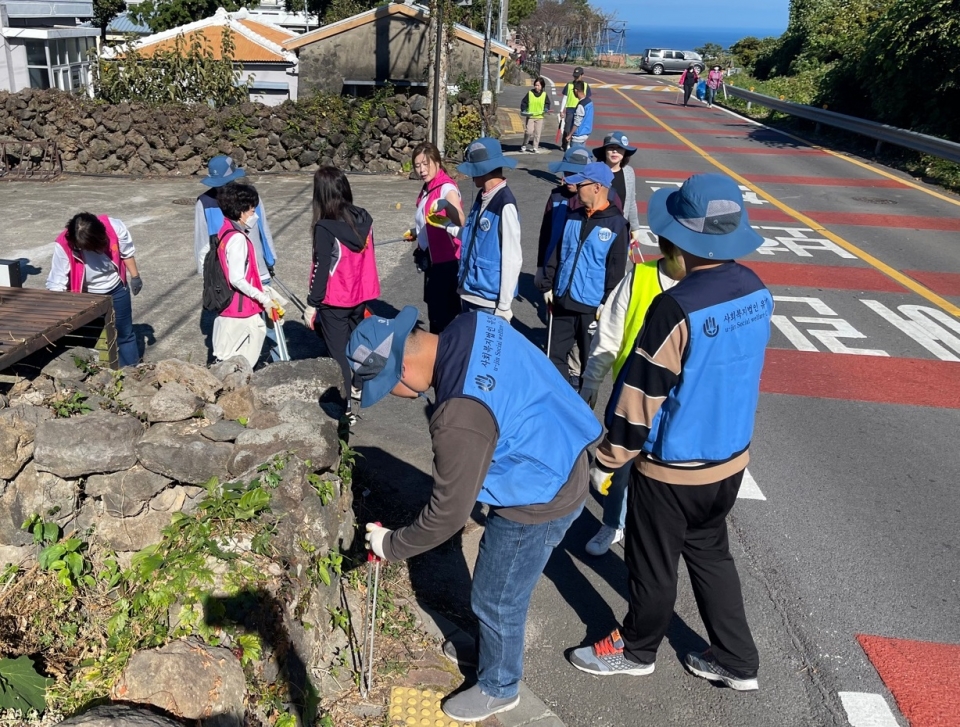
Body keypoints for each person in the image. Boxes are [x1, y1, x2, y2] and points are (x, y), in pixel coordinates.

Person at [567, 173, 773, 692]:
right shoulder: (755, 290)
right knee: (710, 553)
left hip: (674, 465)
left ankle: (637, 649)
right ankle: (736, 658)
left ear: (677, 240)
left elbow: (640, 399)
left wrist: (606, 460)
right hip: (729, 459)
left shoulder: (676, 307)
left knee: (652, 562)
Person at [350, 307, 601, 722]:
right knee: (493, 586)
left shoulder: (457, 418)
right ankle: (489, 653)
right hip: (558, 444)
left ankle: (500, 686)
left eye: (387, 385)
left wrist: (391, 544)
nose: (393, 394)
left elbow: (448, 515)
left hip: (539, 493)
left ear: (405, 367)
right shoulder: (471, 324)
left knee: (496, 597)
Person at [578, 236, 686, 556]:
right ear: (670, 248)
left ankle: (651, 533)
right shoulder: (639, 277)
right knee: (621, 463)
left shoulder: (703, 284)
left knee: (662, 472)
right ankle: (613, 522)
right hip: (633, 393)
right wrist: (591, 383)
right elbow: (609, 335)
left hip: (678, 401)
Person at [539, 162, 629, 390]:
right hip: (562, 300)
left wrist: (606, 304)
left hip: (591, 308)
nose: (576, 189)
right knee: (553, 357)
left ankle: (582, 411)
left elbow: (616, 270)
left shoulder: (617, 225)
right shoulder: (573, 215)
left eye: (581, 184)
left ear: (597, 187)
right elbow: (558, 252)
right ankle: (561, 399)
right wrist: (548, 284)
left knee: (588, 365)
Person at [303, 167, 381, 414]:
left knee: (338, 355)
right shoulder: (364, 217)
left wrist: (312, 303)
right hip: (360, 294)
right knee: (358, 344)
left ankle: (345, 406)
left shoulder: (324, 227)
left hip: (335, 299)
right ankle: (359, 385)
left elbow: (322, 268)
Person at [195, 155, 282, 361]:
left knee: (267, 326)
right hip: (232, 279)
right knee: (241, 328)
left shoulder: (248, 198)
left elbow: (263, 230)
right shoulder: (205, 203)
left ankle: (274, 366)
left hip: (257, 271)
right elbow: (202, 244)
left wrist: (269, 261)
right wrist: (209, 277)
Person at [428, 137, 520, 322]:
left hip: (488, 299)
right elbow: (472, 237)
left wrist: (504, 305)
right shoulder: (483, 196)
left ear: (483, 170)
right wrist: (447, 225)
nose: (470, 176)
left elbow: (512, 258)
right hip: (469, 290)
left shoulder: (505, 204)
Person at [46, 213, 142, 368]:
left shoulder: (115, 227)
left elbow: (127, 253)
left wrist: (135, 276)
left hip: (116, 288)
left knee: (125, 333)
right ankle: (88, 371)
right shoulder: (64, 244)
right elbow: (57, 281)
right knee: (87, 336)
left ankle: (131, 371)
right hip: (86, 294)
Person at [211, 182, 281, 367]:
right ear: (240, 211)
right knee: (242, 361)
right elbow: (237, 278)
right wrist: (263, 298)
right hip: (240, 309)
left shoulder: (225, 230)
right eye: (251, 210)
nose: (254, 215)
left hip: (230, 307)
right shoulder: (237, 239)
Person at [407, 142, 464, 333]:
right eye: (417, 165)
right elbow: (430, 219)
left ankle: (444, 358)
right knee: (435, 314)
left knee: (443, 318)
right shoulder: (427, 186)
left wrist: (447, 207)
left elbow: (460, 219)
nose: (421, 170)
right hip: (433, 260)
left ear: (437, 163)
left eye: (426, 164)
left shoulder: (446, 187)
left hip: (447, 262)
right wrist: (417, 232)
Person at [593, 131, 643, 246]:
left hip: (620, 228)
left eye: (620, 148)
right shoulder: (595, 171)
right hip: (597, 227)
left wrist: (635, 228)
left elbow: (631, 202)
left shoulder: (629, 172)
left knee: (618, 262)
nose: (615, 151)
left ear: (625, 152)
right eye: (611, 148)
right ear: (604, 151)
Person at [559, 66, 590, 150]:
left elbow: (588, 100)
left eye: (577, 76)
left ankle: (573, 145)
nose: (575, 78)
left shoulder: (586, 86)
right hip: (570, 109)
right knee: (567, 128)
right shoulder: (569, 85)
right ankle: (564, 144)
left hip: (581, 109)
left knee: (577, 127)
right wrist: (562, 110)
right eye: (574, 76)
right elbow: (565, 97)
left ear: (582, 75)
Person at [520, 77, 551, 153]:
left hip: (540, 116)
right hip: (531, 116)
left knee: (537, 133)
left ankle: (535, 147)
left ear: (542, 86)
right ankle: (524, 144)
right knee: (529, 132)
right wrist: (524, 110)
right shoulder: (530, 93)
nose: (536, 87)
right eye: (535, 85)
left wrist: (546, 108)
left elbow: (547, 103)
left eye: (538, 85)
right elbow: (524, 102)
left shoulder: (544, 94)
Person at [565, 81, 594, 147]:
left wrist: (570, 135)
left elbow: (577, 123)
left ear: (576, 90)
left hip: (578, 136)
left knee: (574, 156)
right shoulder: (589, 101)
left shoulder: (581, 105)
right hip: (585, 134)